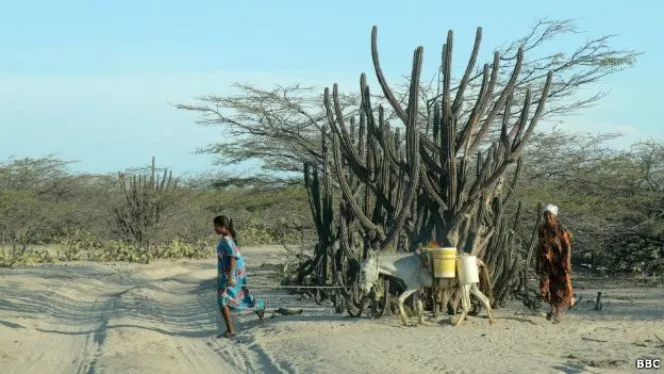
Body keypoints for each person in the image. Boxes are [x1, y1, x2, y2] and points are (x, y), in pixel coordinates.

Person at [214, 215, 266, 338]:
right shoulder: (225, 237)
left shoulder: (227, 239)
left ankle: (230, 331)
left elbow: (233, 257)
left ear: (223, 227)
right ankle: (259, 306)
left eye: (216, 226)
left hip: (232, 273)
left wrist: (231, 277)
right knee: (234, 296)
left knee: (223, 300)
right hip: (228, 272)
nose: (215, 229)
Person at [536, 204, 577, 324]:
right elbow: (539, 247)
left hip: (559, 263)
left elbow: (567, 247)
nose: (547, 217)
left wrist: (567, 263)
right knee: (546, 286)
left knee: (559, 288)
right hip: (546, 263)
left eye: (550, 214)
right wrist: (537, 262)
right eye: (545, 214)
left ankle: (557, 313)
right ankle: (552, 309)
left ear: (555, 216)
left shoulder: (561, 230)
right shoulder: (542, 229)